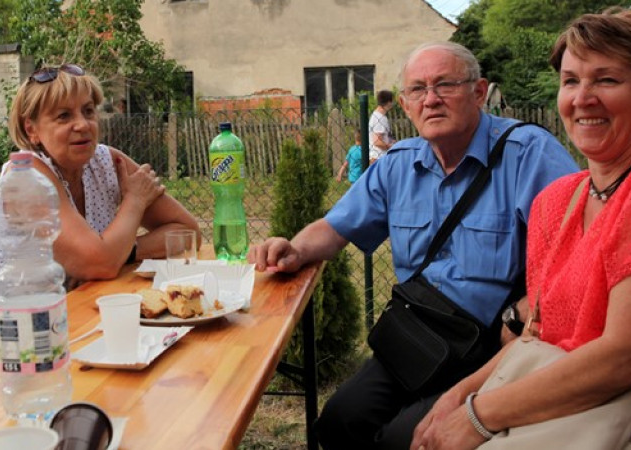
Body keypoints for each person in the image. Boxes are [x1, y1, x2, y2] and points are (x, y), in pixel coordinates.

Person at [411, 10, 631, 450]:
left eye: (606, 80)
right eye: (571, 81)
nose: (583, 98)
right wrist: (456, 397)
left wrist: (477, 416)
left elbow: (629, 357)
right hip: (563, 416)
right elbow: (536, 336)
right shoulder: (558, 201)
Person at [248, 42, 579, 450]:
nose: (432, 99)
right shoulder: (397, 165)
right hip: (419, 340)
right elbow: (334, 227)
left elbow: (579, 256)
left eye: (445, 85)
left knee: (408, 439)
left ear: (479, 92)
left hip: (496, 348)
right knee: (338, 421)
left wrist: (524, 311)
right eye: (418, 90)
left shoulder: (529, 154)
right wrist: (294, 249)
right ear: (405, 105)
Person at [0, 63, 200, 350]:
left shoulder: (108, 163)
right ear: (32, 129)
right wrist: (134, 202)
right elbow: (100, 263)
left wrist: (124, 250)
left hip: (52, 317)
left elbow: (187, 234)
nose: (82, 124)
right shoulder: (26, 176)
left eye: (88, 111)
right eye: (63, 116)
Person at [369, 89, 397, 164]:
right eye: (392, 101)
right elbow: (377, 142)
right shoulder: (380, 118)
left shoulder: (377, 115)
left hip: (378, 157)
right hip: (379, 158)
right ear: (388, 102)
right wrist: (391, 146)